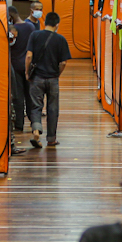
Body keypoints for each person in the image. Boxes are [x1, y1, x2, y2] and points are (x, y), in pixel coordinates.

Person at [25, 11, 71, 149]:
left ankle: (36, 131)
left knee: (35, 106)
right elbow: (63, 62)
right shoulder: (61, 39)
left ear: (44, 22)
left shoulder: (34, 35)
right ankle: (51, 139)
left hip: (37, 78)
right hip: (52, 79)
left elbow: (28, 56)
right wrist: (57, 74)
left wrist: (27, 73)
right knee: (53, 109)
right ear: (57, 24)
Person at [8, 6, 35, 139]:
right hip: (28, 65)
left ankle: (19, 124)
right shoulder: (30, 27)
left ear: (10, 17)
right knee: (30, 95)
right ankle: (34, 122)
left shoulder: (11, 30)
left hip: (14, 66)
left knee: (18, 96)